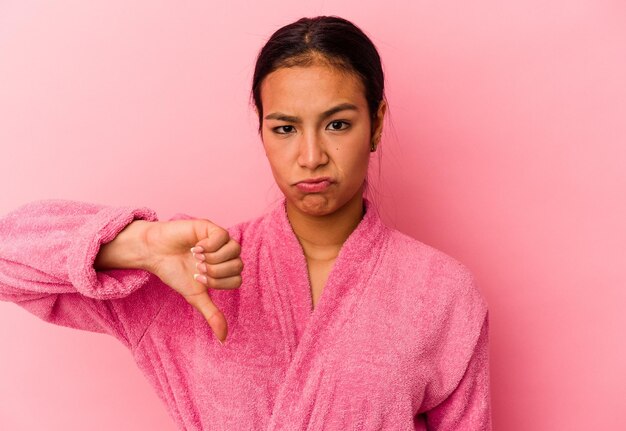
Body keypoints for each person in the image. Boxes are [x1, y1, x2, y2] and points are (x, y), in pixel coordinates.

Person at [0, 15, 491, 430]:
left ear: (377, 122)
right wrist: (141, 243)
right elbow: (8, 258)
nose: (312, 156)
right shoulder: (189, 271)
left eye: (338, 124)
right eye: (285, 128)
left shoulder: (442, 292)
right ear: (261, 129)